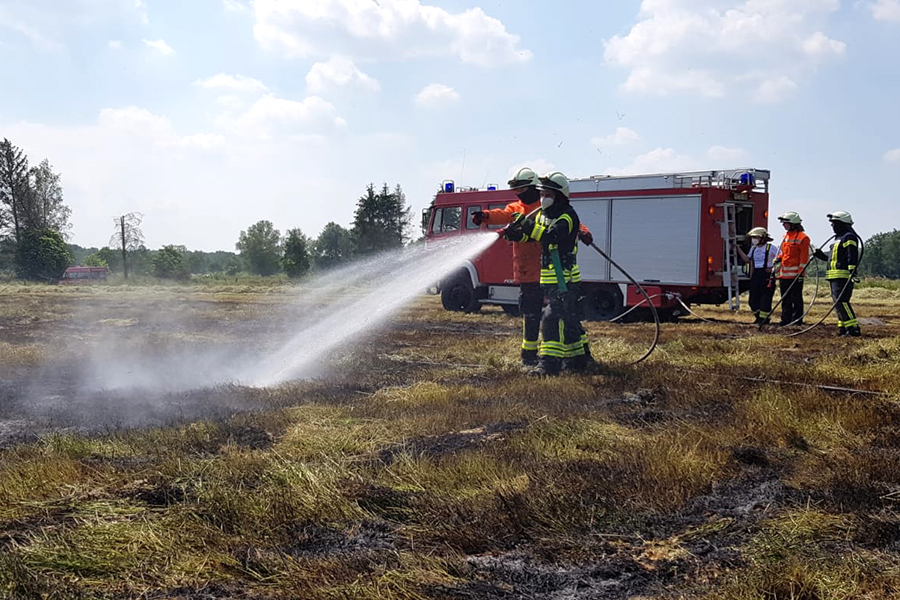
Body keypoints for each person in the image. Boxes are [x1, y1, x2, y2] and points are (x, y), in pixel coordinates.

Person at [472, 167, 593, 367]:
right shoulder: (519, 209)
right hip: (529, 270)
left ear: (532, 187)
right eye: (516, 190)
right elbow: (503, 215)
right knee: (533, 314)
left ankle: (573, 358)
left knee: (560, 314)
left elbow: (569, 225)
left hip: (554, 271)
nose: (519, 193)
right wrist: (485, 216)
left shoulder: (548, 208)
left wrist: (585, 232)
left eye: (522, 189)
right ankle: (530, 356)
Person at [504, 171, 585, 376]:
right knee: (568, 319)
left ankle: (549, 365)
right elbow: (534, 237)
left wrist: (527, 224)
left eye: (548, 194)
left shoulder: (568, 217)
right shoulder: (544, 215)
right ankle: (579, 359)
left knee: (551, 319)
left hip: (565, 279)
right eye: (542, 193)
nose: (543, 198)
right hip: (550, 278)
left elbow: (550, 236)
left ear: (560, 195)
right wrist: (517, 235)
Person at [813, 211, 861, 336]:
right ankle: (843, 328)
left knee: (842, 302)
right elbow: (833, 258)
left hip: (843, 276)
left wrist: (852, 271)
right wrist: (821, 256)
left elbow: (852, 255)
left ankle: (853, 328)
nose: (832, 226)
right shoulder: (836, 239)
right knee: (837, 303)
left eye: (834, 223)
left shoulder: (849, 237)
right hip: (833, 276)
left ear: (842, 224)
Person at [773, 211, 810, 326]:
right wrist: (778, 258)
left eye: (786, 223)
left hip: (795, 276)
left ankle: (797, 320)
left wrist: (800, 274)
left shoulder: (803, 238)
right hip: (784, 274)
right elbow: (785, 253)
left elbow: (804, 258)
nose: (784, 225)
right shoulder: (785, 237)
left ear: (793, 224)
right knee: (785, 298)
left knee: (796, 298)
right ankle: (785, 319)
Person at [737, 226, 778, 325]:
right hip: (756, 275)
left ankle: (763, 320)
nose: (753, 239)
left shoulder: (771, 248)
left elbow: (782, 259)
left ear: (763, 238)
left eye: (756, 237)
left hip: (767, 276)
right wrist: (737, 248)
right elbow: (747, 259)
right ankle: (758, 317)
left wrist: (774, 269)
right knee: (753, 300)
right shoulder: (754, 248)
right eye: (753, 237)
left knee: (765, 299)